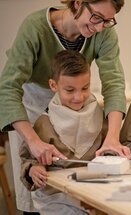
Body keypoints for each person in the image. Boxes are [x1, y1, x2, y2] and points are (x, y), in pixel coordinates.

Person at [0, 0, 130, 212]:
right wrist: (33, 141)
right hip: (32, 105)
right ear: (78, 3)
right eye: (96, 17)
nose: (99, 27)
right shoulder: (35, 28)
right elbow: (7, 89)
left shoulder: (103, 31)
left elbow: (114, 83)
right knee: (37, 187)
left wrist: (112, 138)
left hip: (75, 105)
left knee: (76, 195)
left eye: (107, 21)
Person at [20, 50, 107, 215]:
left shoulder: (101, 116)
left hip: (96, 192)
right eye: (70, 90)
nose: (78, 97)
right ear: (54, 85)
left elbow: (112, 147)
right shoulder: (44, 124)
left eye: (85, 88)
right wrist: (33, 169)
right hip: (59, 198)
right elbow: (28, 160)